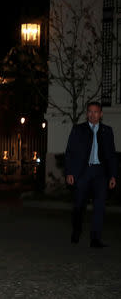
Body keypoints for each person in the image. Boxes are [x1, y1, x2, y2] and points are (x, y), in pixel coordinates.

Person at [65, 101, 117, 248]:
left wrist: (113, 175)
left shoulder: (107, 131)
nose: (92, 114)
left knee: (99, 206)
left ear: (100, 114)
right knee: (79, 205)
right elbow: (69, 152)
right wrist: (69, 172)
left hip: (100, 173)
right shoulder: (78, 130)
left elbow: (112, 155)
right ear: (87, 113)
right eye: (89, 111)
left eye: (95, 112)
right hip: (83, 172)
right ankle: (76, 231)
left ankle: (95, 238)